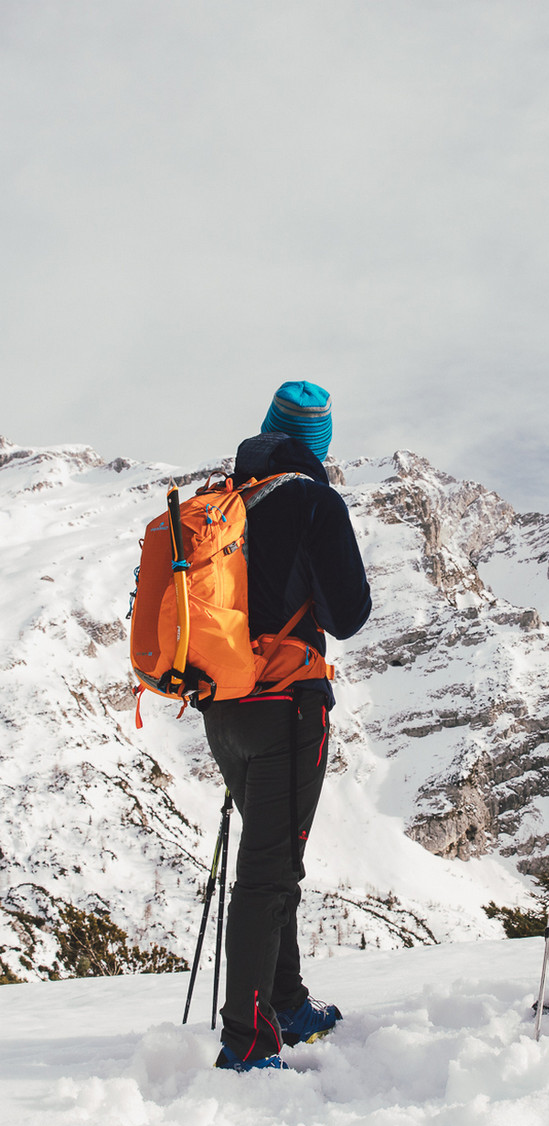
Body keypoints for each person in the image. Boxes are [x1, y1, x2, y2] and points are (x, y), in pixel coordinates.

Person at [204, 380, 372, 1070]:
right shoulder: (312, 501)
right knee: (269, 872)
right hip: (289, 707)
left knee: (272, 859)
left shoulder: (227, 501)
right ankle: (248, 1040)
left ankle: (287, 1003)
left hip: (225, 710)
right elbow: (348, 614)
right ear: (317, 447)